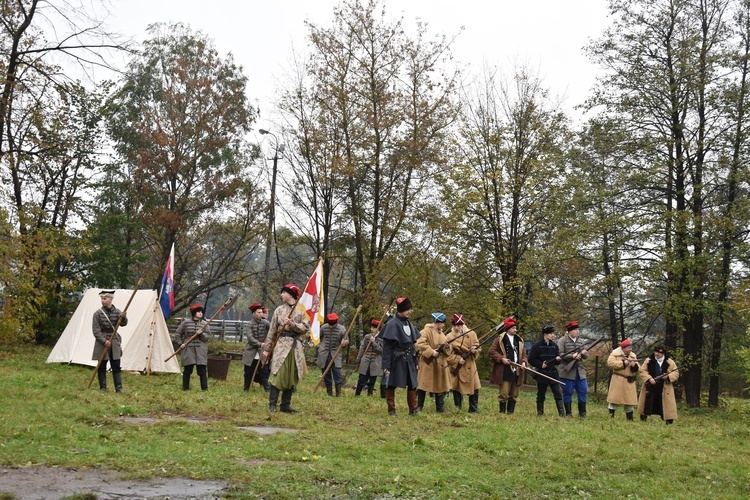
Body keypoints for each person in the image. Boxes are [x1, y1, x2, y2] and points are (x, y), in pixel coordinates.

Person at [262, 283, 310, 413]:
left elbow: (305, 328)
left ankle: (285, 405)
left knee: (292, 376)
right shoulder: (279, 310)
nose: (282, 294)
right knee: (277, 373)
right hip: (281, 345)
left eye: (284, 292)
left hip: (295, 347)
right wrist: (267, 349)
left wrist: (292, 324)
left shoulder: (301, 310)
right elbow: (272, 330)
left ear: (291, 295)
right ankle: (272, 404)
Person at [380, 297, 421, 416]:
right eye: (407, 309)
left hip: (409, 359)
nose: (409, 311)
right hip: (395, 359)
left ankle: (413, 409)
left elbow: (412, 345)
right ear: (400, 310)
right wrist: (386, 364)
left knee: (413, 384)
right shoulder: (392, 324)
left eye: (410, 309)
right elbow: (387, 348)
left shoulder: (409, 324)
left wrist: (416, 361)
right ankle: (391, 410)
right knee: (391, 384)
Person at [488, 317, 527, 414]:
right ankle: (502, 412)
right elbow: (491, 351)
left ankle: (510, 412)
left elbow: (524, 354)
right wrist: (502, 359)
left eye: (515, 328)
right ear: (508, 328)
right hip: (505, 369)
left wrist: (523, 362)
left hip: (517, 369)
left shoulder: (519, 340)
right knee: (504, 393)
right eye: (513, 328)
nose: (515, 330)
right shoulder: (500, 339)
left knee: (514, 393)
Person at [92, 290, 128, 392]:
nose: (103, 301)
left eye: (105, 299)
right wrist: (104, 341)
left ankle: (119, 387)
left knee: (116, 364)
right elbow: (96, 330)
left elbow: (123, 324)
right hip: (102, 341)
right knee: (102, 365)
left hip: (114, 340)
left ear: (110, 299)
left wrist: (124, 318)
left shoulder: (118, 312)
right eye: (102, 299)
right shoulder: (97, 314)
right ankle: (103, 387)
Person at [415, 312, 452, 413]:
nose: (443, 325)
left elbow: (446, 351)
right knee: (423, 385)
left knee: (440, 385)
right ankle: (419, 406)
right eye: (442, 323)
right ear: (437, 322)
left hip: (440, 363)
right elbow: (420, 344)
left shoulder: (442, 334)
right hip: (428, 363)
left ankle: (440, 407)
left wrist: (447, 347)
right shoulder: (425, 331)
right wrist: (431, 352)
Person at [446, 314, 481, 412]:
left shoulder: (472, 334)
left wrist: (475, 350)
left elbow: (477, 345)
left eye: (458, 325)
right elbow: (447, 354)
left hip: (470, 362)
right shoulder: (449, 336)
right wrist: (457, 360)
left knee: (474, 385)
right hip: (458, 364)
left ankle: (473, 407)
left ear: (462, 325)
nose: (456, 327)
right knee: (456, 386)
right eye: (454, 325)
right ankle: (458, 407)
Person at [528, 325, 565, 416]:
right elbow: (531, 359)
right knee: (541, 394)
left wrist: (557, 360)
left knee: (558, 394)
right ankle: (540, 413)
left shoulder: (555, 346)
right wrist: (541, 365)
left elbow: (557, 363)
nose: (553, 335)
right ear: (545, 334)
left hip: (553, 373)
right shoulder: (537, 346)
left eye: (553, 333)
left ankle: (561, 413)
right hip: (542, 374)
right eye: (551, 333)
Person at [638, 345, 679, 424]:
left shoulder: (670, 362)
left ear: (663, 353)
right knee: (647, 403)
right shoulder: (648, 360)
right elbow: (642, 371)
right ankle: (643, 418)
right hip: (650, 386)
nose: (657, 354)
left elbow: (676, 373)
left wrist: (668, 377)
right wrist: (649, 378)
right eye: (656, 351)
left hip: (664, 387)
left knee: (666, 405)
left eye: (660, 352)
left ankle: (669, 420)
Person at [174, 304, 211, 391]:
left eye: (201, 312)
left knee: (202, 370)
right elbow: (178, 333)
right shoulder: (185, 323)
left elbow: (208, 337)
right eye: (198, 312)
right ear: (194, 313)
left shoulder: (205, 324)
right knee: (187, 370)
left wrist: (201, 333)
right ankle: (185, 388)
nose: (200, 313)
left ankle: (204, 389)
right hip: (188, 348)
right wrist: (180, 343)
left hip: (200, 349)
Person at [557, 320, 589, 417]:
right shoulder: (562, 340)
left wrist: (584, 354)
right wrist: (572, 356)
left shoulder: (581, 341)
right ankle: (568, 413)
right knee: (568, 392)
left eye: (578, 329)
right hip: (567, 371)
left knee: (583, 390)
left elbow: (587, 356)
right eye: (575, 330)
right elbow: (560, 354)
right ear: (570, 331)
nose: (577, 331)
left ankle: (582, 413)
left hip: (580, 371)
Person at [317, 312, 349, 397]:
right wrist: (319, 346)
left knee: (337, 373)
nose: (331, 327)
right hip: (324, 353)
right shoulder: (323, 327)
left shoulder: (342, 329)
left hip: (336, 353)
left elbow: (347, 340)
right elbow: (319, 337)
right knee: (326, 373)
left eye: (333, 325)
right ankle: (329, 393)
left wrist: (344, 342)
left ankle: (338, 393)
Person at [607, 338, 640, 419]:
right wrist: (623, 363)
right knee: (614, 400)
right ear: (624, 348)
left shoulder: (633, 355)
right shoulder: (615, 354)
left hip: (629, 380)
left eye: (631, 348)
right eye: (629, 348)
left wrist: (634, 366)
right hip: (617, 379)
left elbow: (638, 368)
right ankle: (611, 416)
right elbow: (610, 363)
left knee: (629, 401)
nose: (630, 349)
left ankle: (629, 418)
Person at [242, 301, 270, 391]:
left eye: (261, 312)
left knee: (264, 371)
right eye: (258, 312)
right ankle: (246, 388)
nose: (260, 314)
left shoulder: (265, 323)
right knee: (248, 371)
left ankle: (267, 389)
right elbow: (250, 338)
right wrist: (260, 344)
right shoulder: (249, 324)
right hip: (251, 351)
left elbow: (272, 330)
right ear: (254, 313)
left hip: (263, 351)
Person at [355, 319, 383, 396]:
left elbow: (380, 351)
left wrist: (373, 342)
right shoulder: (367, 336)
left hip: (375, 360)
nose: (372, 329)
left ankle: (369, 394)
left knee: (372, 379)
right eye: (372, 327)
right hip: (366, 359)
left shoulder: (382, 338)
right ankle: (357, 394)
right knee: (362, 378)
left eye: (374, 328)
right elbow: (362, 348)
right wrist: (358, 359)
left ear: (378, 329)